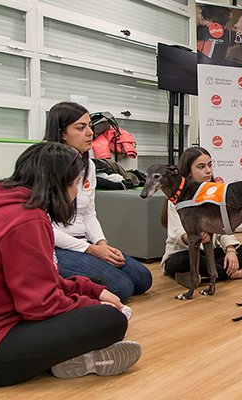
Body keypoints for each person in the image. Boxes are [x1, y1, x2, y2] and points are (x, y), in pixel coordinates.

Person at [0, 142, 141, 388]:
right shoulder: (26, 220)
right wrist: (92, 304)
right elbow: (41, 305)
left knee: (104, 305)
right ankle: (74, 356)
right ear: (59, 184)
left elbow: (38, 279)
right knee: (110, 319)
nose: (76, 193)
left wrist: (90, 289)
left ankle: (72, 358)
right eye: (75, 184)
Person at [43, 102, 152, 302]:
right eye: (80, 128)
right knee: (122, 287)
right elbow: (43, 227)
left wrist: (101, 244)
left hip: (86, 242)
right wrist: (91, 250)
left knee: (143, 279)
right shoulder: (44, 166)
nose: (90, 133)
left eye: (89, 126)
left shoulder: (89, 166)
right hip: (57, 248)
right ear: (62, 133)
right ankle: (60, 283)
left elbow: (88, 212)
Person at [162, 147, 242, 287]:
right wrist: (192, 236)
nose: (208, 170)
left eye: (210, 165)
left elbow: (222, 227)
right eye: (201, 167)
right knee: (190, 260)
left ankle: (203, 275)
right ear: (188, 173)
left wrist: (230, 250)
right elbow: (176, 233)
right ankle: (239, 272)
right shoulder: (176, 198)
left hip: (209, 253)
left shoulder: (215, 192)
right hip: (182, 254)